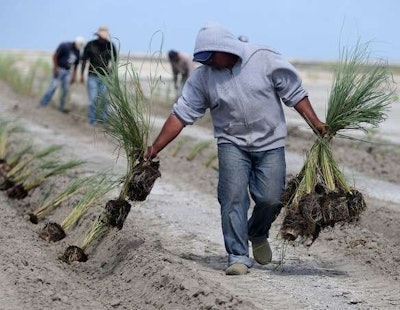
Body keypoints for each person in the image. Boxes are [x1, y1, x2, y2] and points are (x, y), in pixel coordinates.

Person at [144, 23, 326, 276]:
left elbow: (294, 92)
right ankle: (237, 255)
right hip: (232, 143)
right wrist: (155, 147)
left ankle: (257, 232)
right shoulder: (203, 77)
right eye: (202, 58)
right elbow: (181, 114)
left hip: (270, 142)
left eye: (210, 56)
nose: (207, 63)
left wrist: (316, 123)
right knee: (232, 197)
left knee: (271, 198)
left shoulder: (263, 58)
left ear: (225, 48)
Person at [80, 26, 117, 125]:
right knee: (93, 99)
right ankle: (92, 120)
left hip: (105, 77)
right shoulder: (90, 45)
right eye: (101, 36)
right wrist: (81, 74)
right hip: (92, 76)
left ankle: (104, 120)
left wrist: (111, 74)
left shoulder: (110, 46)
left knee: (104, 99)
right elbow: (84, 60)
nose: (102, 38)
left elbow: (114, 61)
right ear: (98, 35)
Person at [39, 37, 85, 112]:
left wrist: (74, 76)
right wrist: (55, 68)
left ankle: (61, 107)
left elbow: (76, 65)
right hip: (59, 69)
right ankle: (43, 103)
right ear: (75, 42)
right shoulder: (64, 45)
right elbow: (55, 56)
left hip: (68, 71)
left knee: (65, 90)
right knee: (53, 87)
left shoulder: (77, 51)